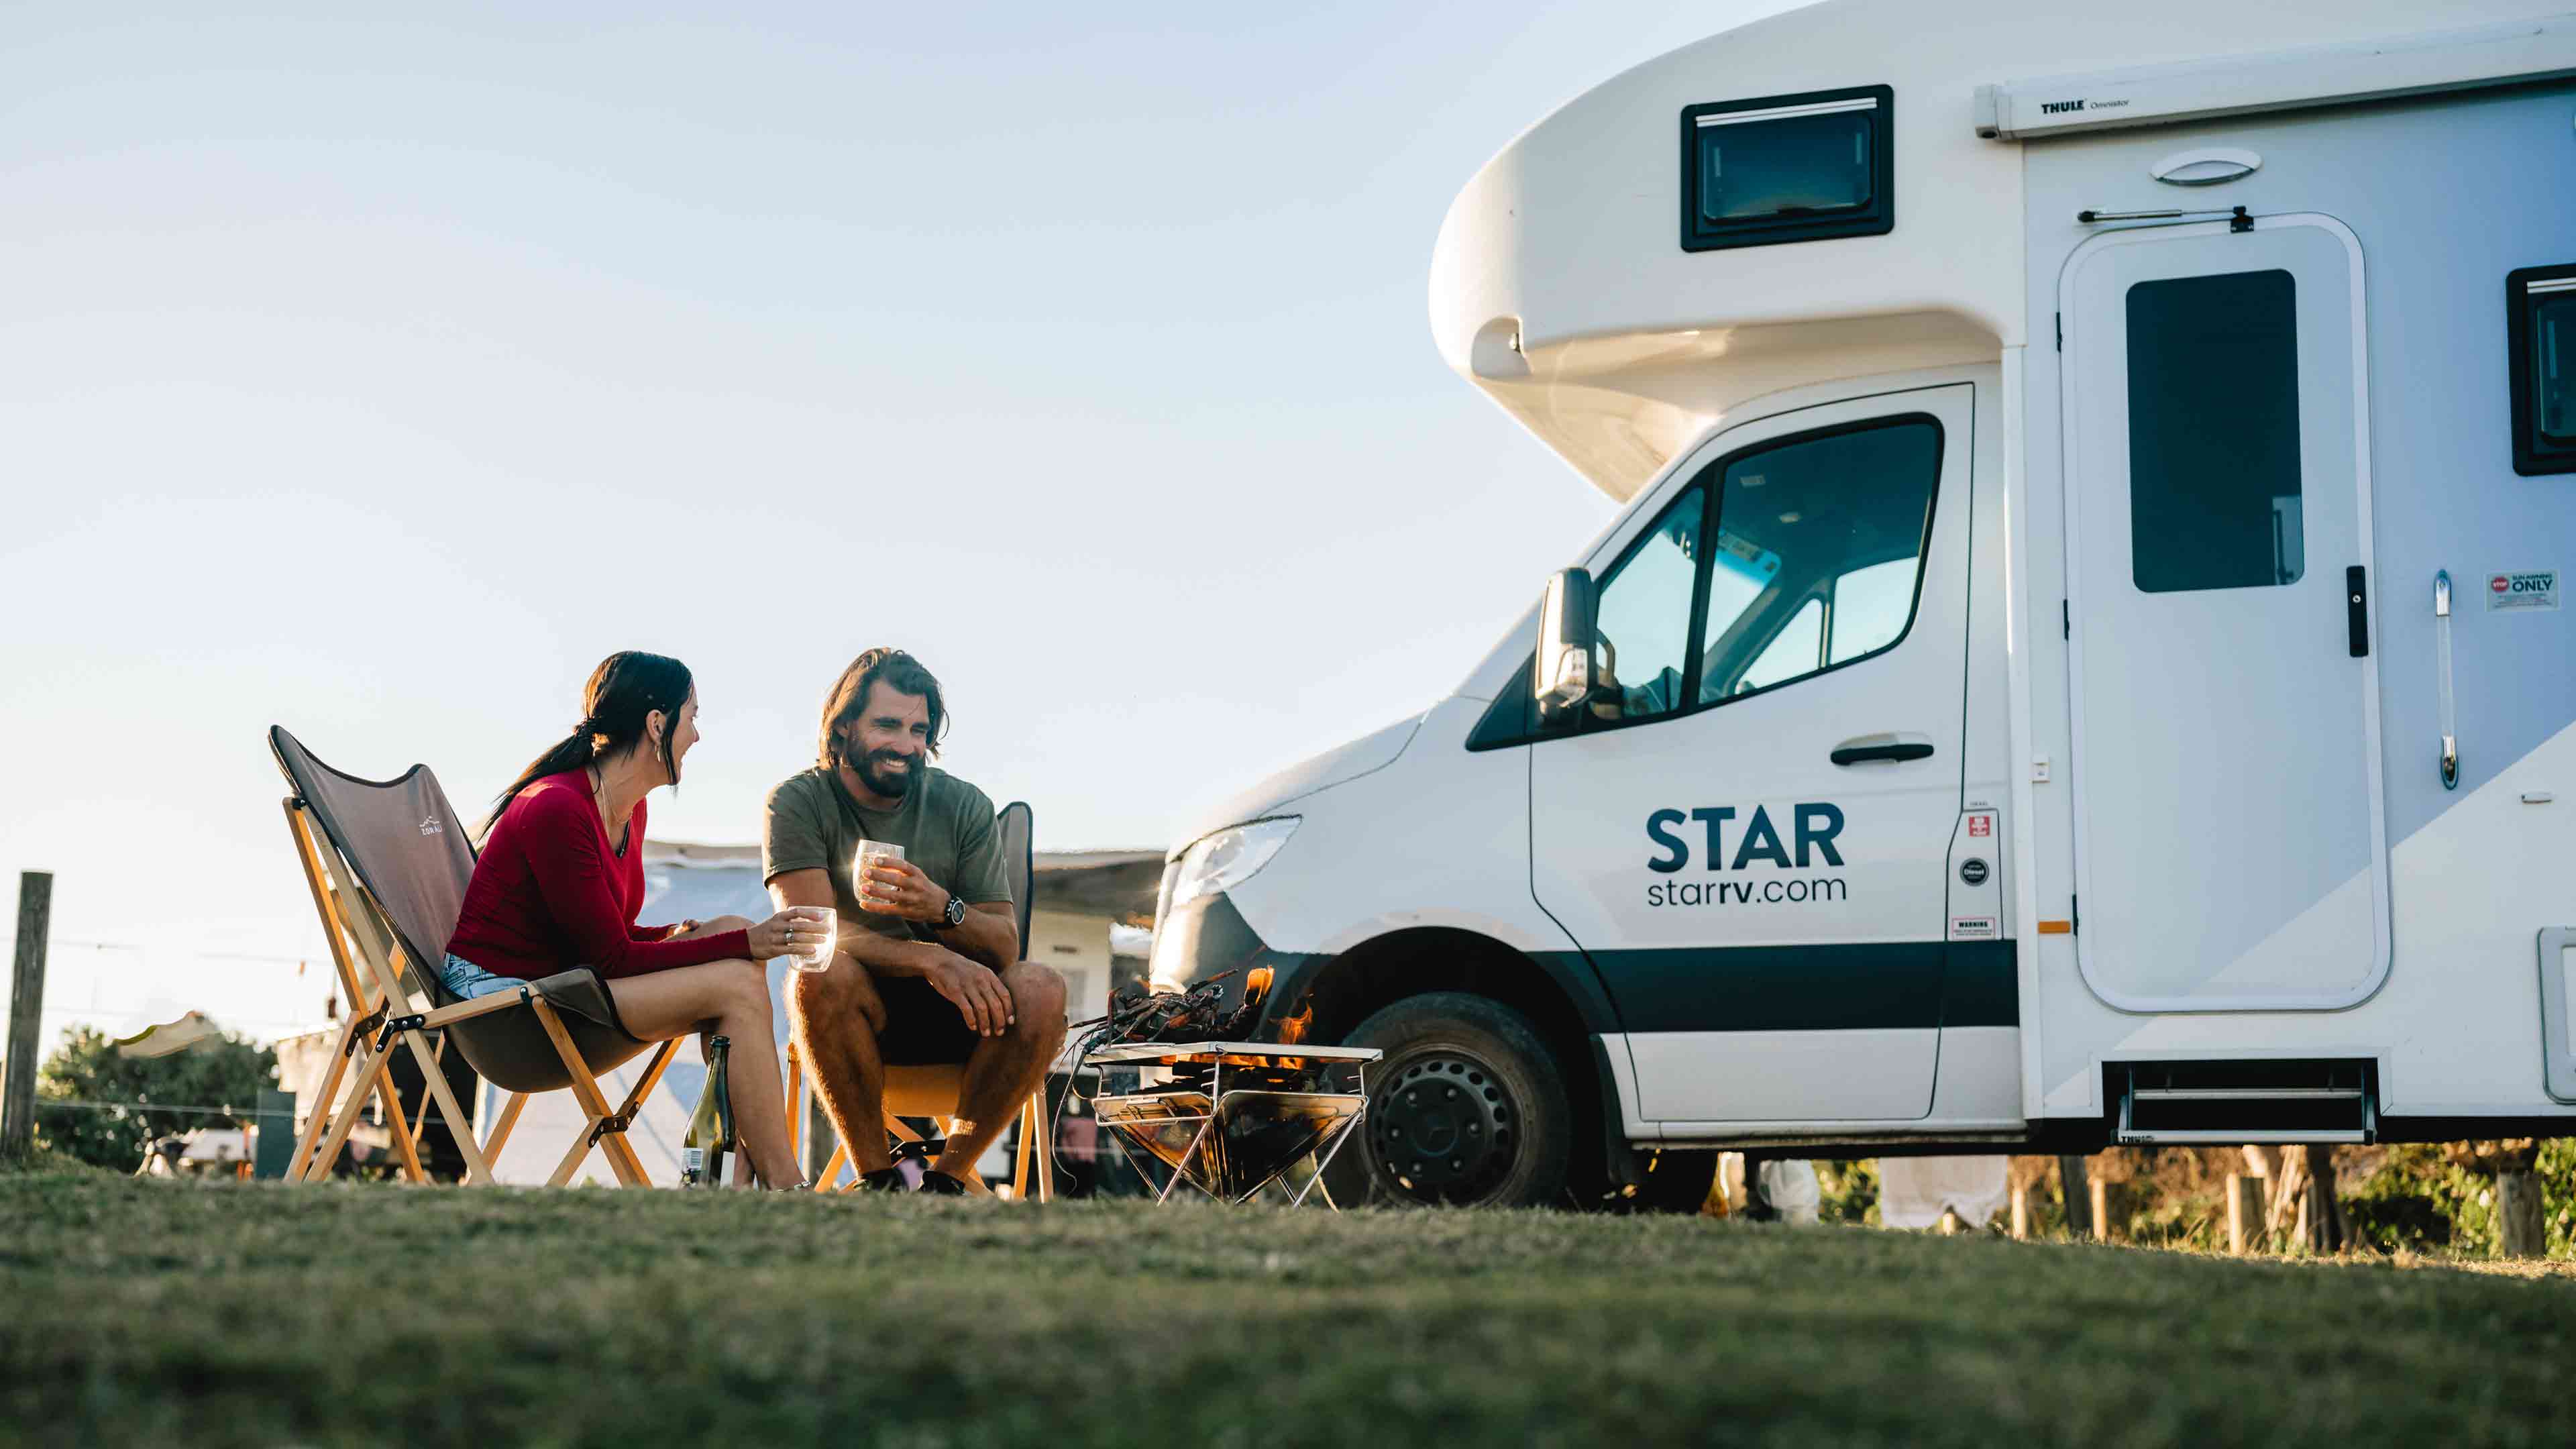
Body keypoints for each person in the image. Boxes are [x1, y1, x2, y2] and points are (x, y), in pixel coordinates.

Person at [443, 649, 825, 1188]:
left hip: (564, 989)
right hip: (507, 1016)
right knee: (737, 975)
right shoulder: (558, 808)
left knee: (728, 932)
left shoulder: (627, 809)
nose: (696, 736)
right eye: (691, 718)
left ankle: (740, 1175)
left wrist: (689, 936)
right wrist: (745, 942)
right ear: (656, 725)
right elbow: (612, 959)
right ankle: (783, 1184)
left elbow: (605, 939)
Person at [765, 648, 1067, 1195]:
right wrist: (928, 956)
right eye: (887, 725)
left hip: (964, 1016)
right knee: (815, 975)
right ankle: (877, 1180)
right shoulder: (798, 802)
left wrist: (941, 910)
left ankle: (946, 1183)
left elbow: (1003, 947)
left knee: (1043, 987)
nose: (906, 746)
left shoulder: (964, 805)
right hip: (857, 1017)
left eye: (918, 729)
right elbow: (809, 932)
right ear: (843, 727)